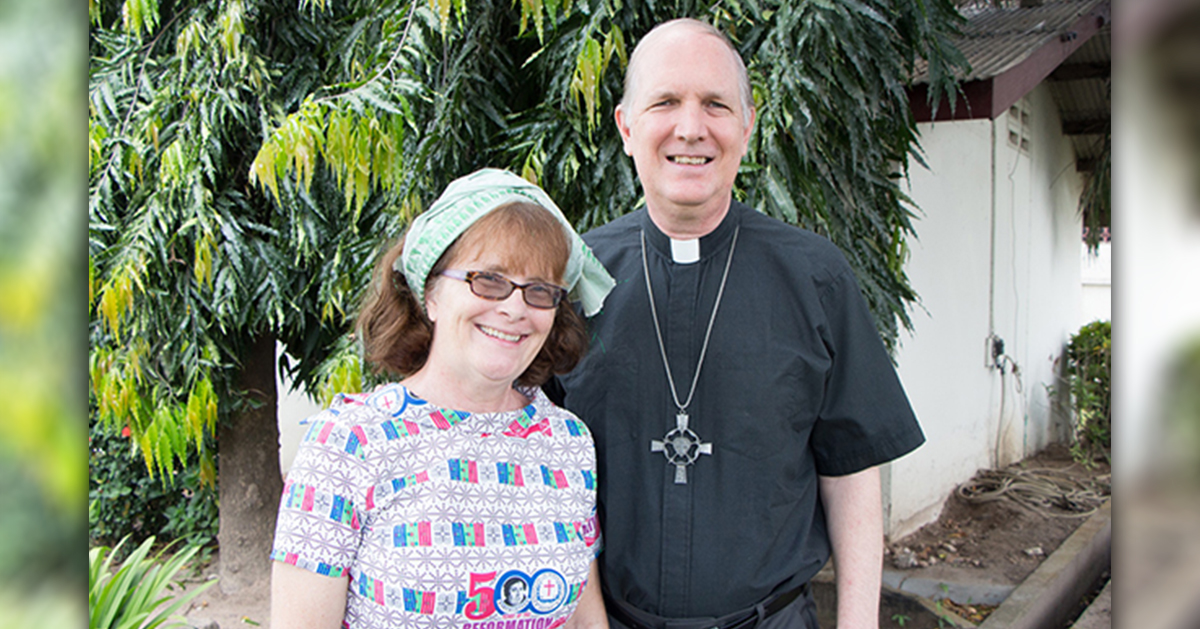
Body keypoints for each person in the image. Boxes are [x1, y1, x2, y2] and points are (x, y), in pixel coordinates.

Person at [551, 18, 925, 629]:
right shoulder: (572, 282)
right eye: (665, 102)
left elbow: (851, 472)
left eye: (716, 105)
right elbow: (538, 474)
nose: (691, 128)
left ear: (747, 127)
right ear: (626, 126)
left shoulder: (817, 278)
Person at [271, 168, 616, 629]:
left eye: (539, 291)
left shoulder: (567, 443)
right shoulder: (349, 444)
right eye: (488, 280)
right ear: (429, 293)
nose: (515, 308)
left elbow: (583, 621)